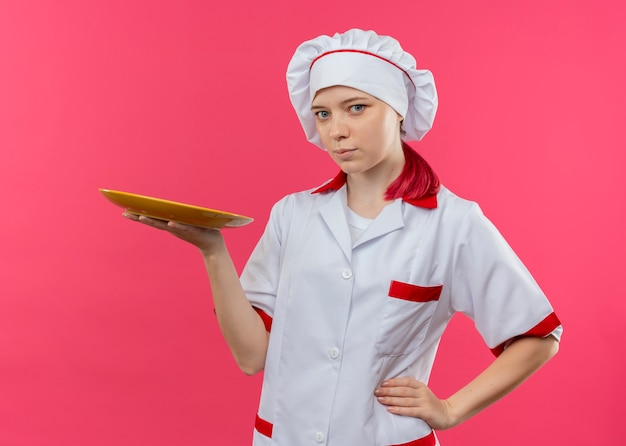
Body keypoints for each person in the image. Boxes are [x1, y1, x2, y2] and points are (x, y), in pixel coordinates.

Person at [124, 29, 561, 446]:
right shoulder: (293, 215)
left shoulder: (455, 224)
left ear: (398, 109)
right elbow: (251, 356)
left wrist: (451, 409)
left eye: (356, 108)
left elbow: (537, 337)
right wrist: (213, 251)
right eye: (323, 113)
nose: (336, 130)